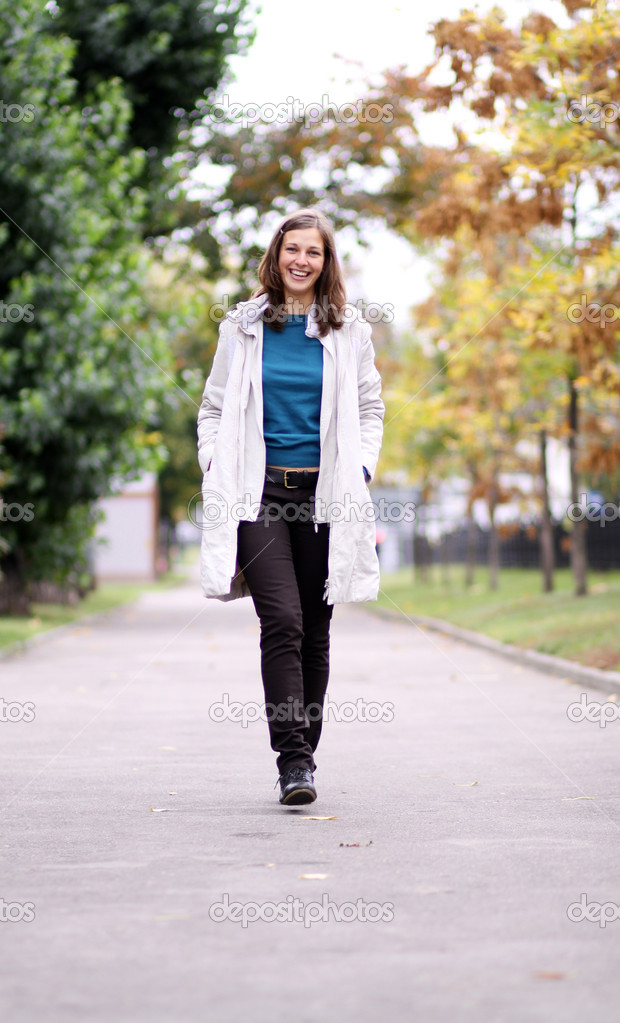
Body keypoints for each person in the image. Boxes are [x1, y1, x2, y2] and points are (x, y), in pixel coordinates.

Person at [196, 207, 384, 806]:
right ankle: (293, 761)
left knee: (316, 630)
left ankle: (306, 751)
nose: (302, 261)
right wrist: (213, 465)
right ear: (275, 256)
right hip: (260, 494)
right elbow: (214, 408)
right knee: (282, 619)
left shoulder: (349, 331)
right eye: (292, 249)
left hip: (325, 497)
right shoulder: (243, 326)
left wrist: (359, 469)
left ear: (327, 263)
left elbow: (370, 409)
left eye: (315, 252)